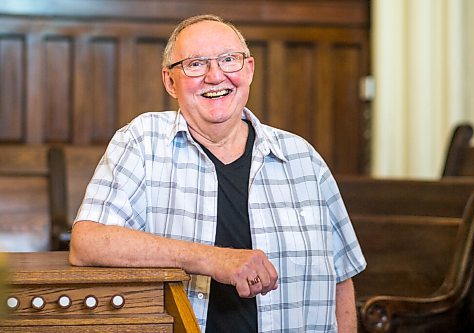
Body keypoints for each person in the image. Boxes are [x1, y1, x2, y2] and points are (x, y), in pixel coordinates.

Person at [69, 14, 366, 333]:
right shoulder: (142, 143)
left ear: (249, 70)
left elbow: (340, 281)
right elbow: (86, 243)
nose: (215, 76)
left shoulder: (303, 159)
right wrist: (211, 260)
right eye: (195, 64)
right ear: (170, 81)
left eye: (229, 60)